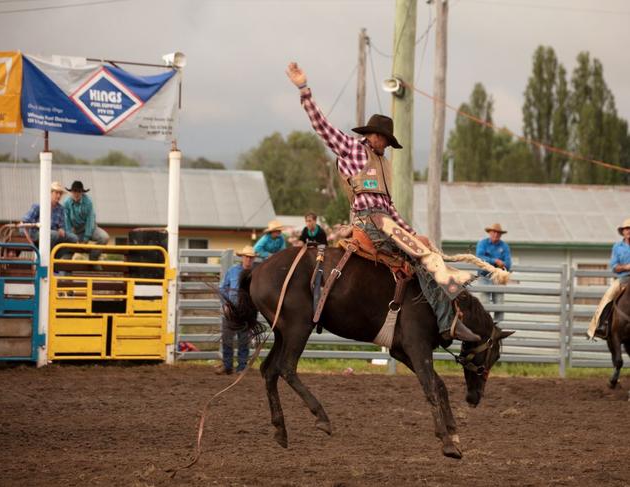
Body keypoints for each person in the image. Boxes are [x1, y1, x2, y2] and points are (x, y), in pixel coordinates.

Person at [286, 61, 480, 342]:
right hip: (370, 223)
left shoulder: (383, 165)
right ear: (373, 136)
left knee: (423, 256)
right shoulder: (353, 149)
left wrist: (413, 234)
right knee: (423, 259)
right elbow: (323, 127)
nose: (386, 145)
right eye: (384, 140)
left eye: (388, 142)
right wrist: (304, 89)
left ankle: (415, 320)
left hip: (383, 222)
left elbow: (389, 209)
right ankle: (446, 321)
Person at [588, 218, 630, 339]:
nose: (629, 231)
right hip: (623, 279)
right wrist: (627, 267)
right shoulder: (617, 247)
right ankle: (601, 325)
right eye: (626, 229)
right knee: (608, 295)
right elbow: (614, 266)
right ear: (623, 232)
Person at [217, 245, 256, 374]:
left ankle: (242, 367)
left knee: (244, 341)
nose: (249, 260)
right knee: (227, 339)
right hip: (231, 310)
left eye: (251, 258)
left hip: (246, 312)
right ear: (242, 258)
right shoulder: (232, 271)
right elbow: (223, 288)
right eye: (246, 257)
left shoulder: (256, 274)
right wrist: (226, 304)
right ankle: (227, 366)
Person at [21, 181, 78, 258]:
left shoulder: (60, 209)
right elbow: (25, 222)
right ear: (50, 193)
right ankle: (46, 258)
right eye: (56, 193)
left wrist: (61, 229)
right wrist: (34, 226)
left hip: (52, 234)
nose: (58, 195)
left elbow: (61, 225)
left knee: (74, 238)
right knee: (53, 235)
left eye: (60, 193)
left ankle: (56, 257)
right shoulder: (38, 206)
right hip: (35, 232)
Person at [63, 181, 109, 262]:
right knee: (67, 242)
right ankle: (66, 266)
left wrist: (86, 239)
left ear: (82, 192)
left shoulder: (88, 202)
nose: (76, 194)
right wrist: (71, 237)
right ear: (71, 192)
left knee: (104, 237)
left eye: (79, 191)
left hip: (91, 228)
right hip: (76, 230)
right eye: (74, 191)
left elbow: (90, 220)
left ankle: (93, 258)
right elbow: (67, 222)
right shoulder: (66, 203)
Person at [476, 223, 512, 322]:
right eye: (494, 232)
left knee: (499, 303)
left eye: (498, 233)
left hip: (498, 277)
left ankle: (498, 330)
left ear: (501, 235)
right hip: (484, 276)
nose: (496, 234)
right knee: (484, 303)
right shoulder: (482, 243)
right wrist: (495, 261)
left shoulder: (504, 246)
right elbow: (479, 257)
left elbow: (508, 264)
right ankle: (485, 328)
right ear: (490, 233)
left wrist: (492, 262)